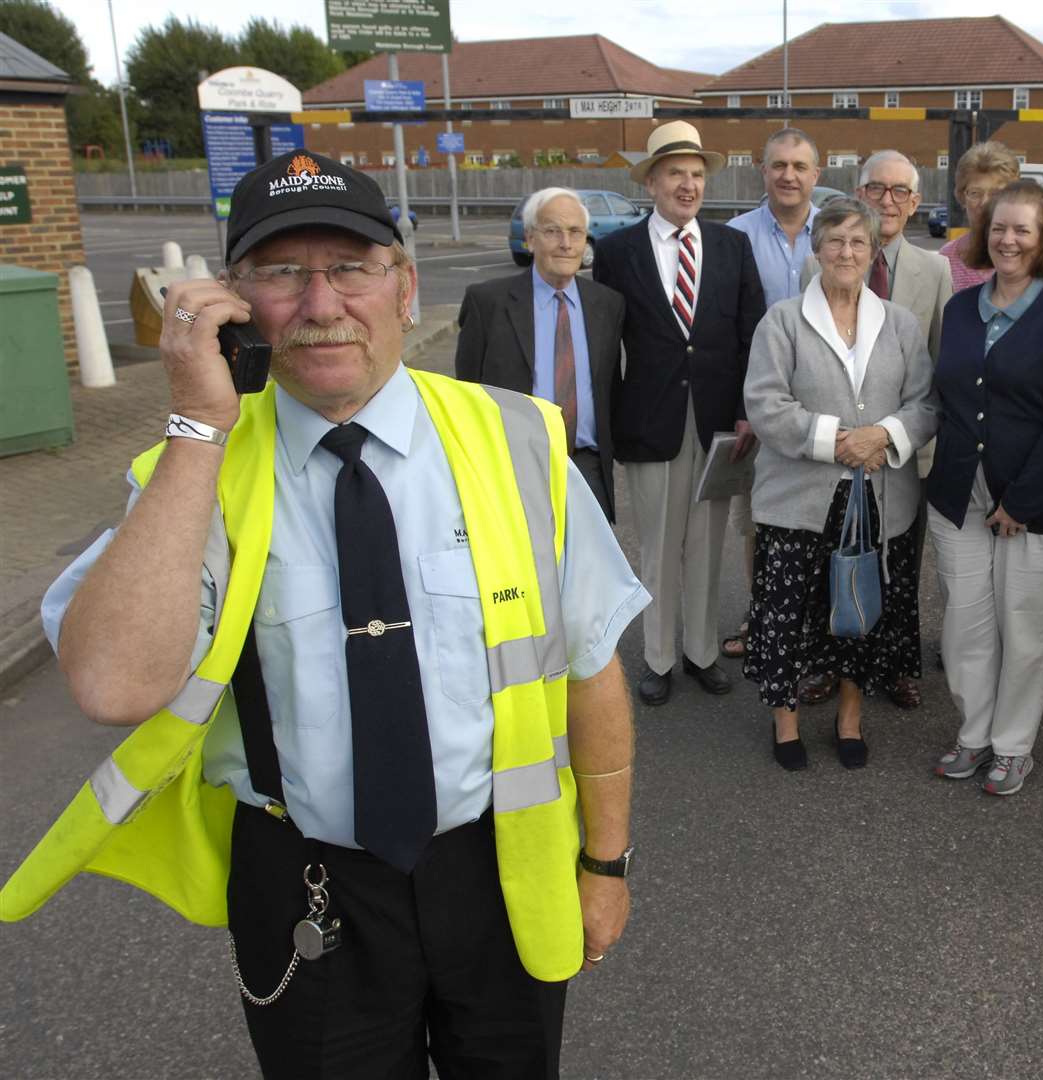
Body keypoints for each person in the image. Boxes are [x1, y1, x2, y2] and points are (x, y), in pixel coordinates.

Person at [1, 151, 648, 1073]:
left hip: (498, 871)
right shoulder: (197, 474)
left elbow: (590, 664)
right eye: (280, 273)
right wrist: (194, 425)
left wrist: (608, 863)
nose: (320, 303)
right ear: (232, 302)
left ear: (404, 286)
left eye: (351, 267)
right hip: (304, 887)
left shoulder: (516, 438)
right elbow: (112, 682)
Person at [742, 198, 937, 770]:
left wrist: (883, 434)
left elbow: (926, 403)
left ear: (874, 250)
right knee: (787, 613)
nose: (846, 252)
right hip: (796, 501)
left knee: (861, 610)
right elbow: (766, 404)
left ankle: (850, 719)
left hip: (881, 499)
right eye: (834, 241)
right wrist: (838, 441)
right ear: (815, 248)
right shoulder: (781, 320)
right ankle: (785, 724)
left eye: (858, 242)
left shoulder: (898, 324)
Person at [928, 181, 1043, 796]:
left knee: (1025, 628)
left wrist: (1021, 502)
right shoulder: (958, 308)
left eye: (1022, 230)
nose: (1007, 239)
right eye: (999, 228)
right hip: (961, 492)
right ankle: (973, 734)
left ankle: (1011, 747)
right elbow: (949, 400)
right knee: (967, 625)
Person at [593, 121, 766, 707]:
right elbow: (605, 342)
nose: (688, 185)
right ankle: (661, 657)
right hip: (650, 422)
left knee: (708, 542)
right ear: (652, 183)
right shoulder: (616, 253)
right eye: (676, 175)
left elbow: (751, 337)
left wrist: (747, 411)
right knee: (659, 548)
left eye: (696, 175)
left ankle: (702, 653)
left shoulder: (730, 246)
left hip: (719, 423)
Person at [797, 149, 954, 711]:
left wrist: (894, 435)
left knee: (898, 563)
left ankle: (893, 665)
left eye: (900, 192)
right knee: (831, 559)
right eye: (876, 189)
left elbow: (938, 367)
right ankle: (826, 663)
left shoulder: (935, 271)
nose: (887, 201)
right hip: (833, 452)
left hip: (901, 451)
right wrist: (837, 438)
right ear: (858, 193)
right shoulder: (818, 263)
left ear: (914, 204)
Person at [455, 185, 626, 520]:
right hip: (513, 468)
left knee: (585, 569)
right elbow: (467, 394)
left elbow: (610, 385)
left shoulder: (607, 304)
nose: (566, 243)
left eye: (576, 232)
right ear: (530, 239)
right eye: (553, 231)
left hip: (586, 468)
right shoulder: (488, 302)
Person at [722, 128, 822, 664]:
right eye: (778, 164)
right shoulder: (734, 236)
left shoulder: (834, 233)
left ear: (817, 174)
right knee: (757, 517)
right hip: (758, 405)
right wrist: (742, 410)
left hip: (821, 403)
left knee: (817, 514)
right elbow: (726, 330)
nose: (788, 175)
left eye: (799, 166)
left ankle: (813, 618)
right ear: (763, 170)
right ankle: (762, 611)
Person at [937, 141, 1019, 292]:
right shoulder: (947, 258)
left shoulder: (1034, 256)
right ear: (962, 197)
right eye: (975, 193)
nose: (985, 203)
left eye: (996, 194)